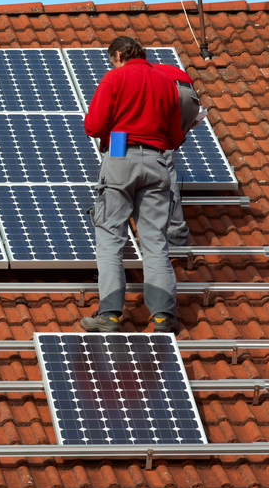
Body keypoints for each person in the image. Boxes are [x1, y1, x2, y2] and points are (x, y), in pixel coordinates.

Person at [81, 36, 184, 333]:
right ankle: (164, 316)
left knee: (111, 238)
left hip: (119, 157)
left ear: (116, 55)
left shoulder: (115, 77)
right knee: (155, 242)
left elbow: (94, 126)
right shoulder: (166, 82)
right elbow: (175, 136)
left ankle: (110, 314)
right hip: (156, 162)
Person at [148, 61, 206, 246]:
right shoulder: (146, 67)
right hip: (191, 97)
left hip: (167, 92)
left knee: (162, 159)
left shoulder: (124, 76)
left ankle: (175, 231)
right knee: (165, 154)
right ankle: (175, 230)